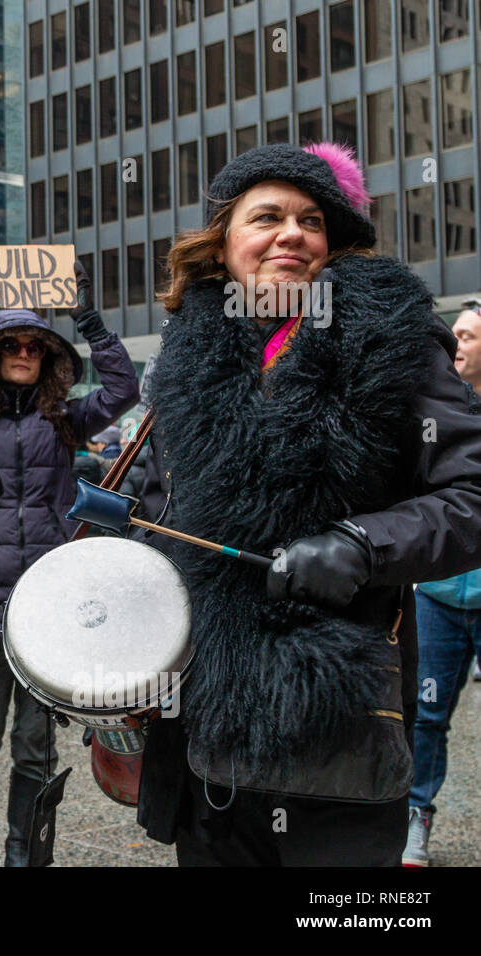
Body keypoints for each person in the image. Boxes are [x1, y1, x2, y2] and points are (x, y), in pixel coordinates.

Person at [135, 142, 481, 866]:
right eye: (267, 218)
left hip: (340, 725)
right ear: (222, 244)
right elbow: (160, 519)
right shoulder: (187, 361)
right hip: (208, 729)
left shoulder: (395, 341)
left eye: (312, 221)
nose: (293, 234)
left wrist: (362, 543)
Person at [0, 261, 140, 865]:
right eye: (11, 344)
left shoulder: (63, 419)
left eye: (34, 345)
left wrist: (90, 320)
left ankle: (25, 852)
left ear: (48, 357)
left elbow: (125, 390)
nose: (23, 352)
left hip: (50, 606)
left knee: (36, 745)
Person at [402, 298, 481, 865]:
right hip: (436, 595)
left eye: (468, 335)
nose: (456, 343)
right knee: (426, 716)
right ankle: (415, 816)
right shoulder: (426, 405)